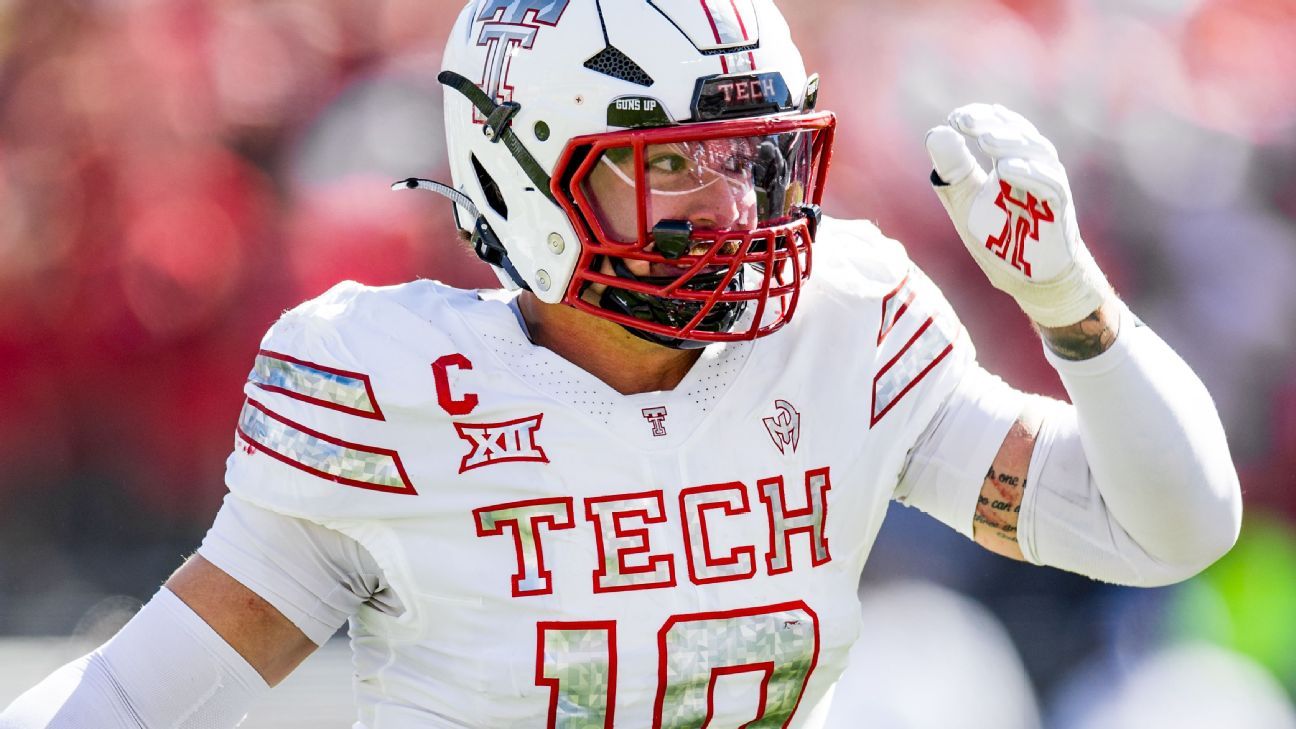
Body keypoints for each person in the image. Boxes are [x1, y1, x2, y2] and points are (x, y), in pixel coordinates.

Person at [1, 1, 1242, 727]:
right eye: (674, 168)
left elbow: (1167, 530)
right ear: (521, 168)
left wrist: (1072, 307)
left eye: (756, 163)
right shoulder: (386, 390)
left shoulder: (844, 325)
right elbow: (139, 704)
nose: (738, 214)